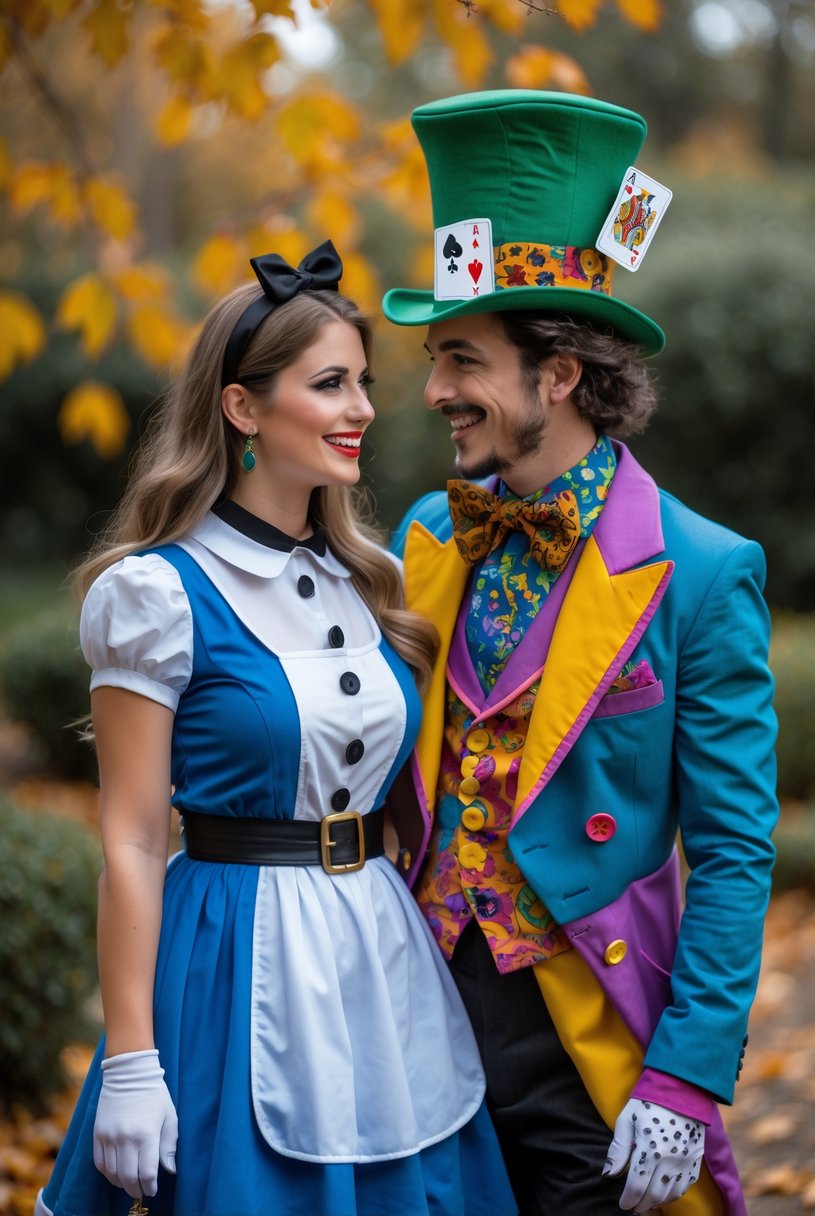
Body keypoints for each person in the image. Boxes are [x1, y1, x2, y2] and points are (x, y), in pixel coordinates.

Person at [36, 241, 518, 1216]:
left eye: (364, 384)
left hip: (379, 957)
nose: (364, 409)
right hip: (228, 950)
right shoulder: (157, 593)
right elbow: (130, 838)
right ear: (243, 406)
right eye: (331, 384)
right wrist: (130, 1053)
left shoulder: (374, 581)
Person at [381, 90, 778, 1216]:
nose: (434, 391)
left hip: (590, 1041)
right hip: (416, 1025)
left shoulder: (703, 570)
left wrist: (689, 1075)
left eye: (459, 357)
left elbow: (736, 850)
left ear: (556, 375)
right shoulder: (421, 535)